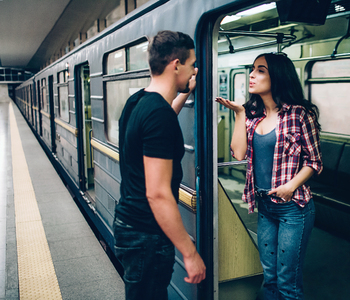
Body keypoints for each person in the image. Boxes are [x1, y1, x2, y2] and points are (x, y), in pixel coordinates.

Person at [216, 52, 322, 300]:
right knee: (270, 278)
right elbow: (239, 151)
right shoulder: (253, 115)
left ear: (278, 76)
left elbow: (315, 162)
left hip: (293, 208)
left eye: (261, 70)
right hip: (264, 206)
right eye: (252, 69)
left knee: (288, 282)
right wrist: (239, 114)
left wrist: (290, 186)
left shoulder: (300, 114)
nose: (252, 75)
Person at [113, 30, 206, 300]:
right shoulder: (158, 116)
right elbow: (158, 193)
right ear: (176, 64)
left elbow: (158, 126)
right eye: (192, 64)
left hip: (129, 224)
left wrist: (185, 94)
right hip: (147, 235)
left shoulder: (138, 102)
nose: (193, 71)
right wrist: (189, 253)